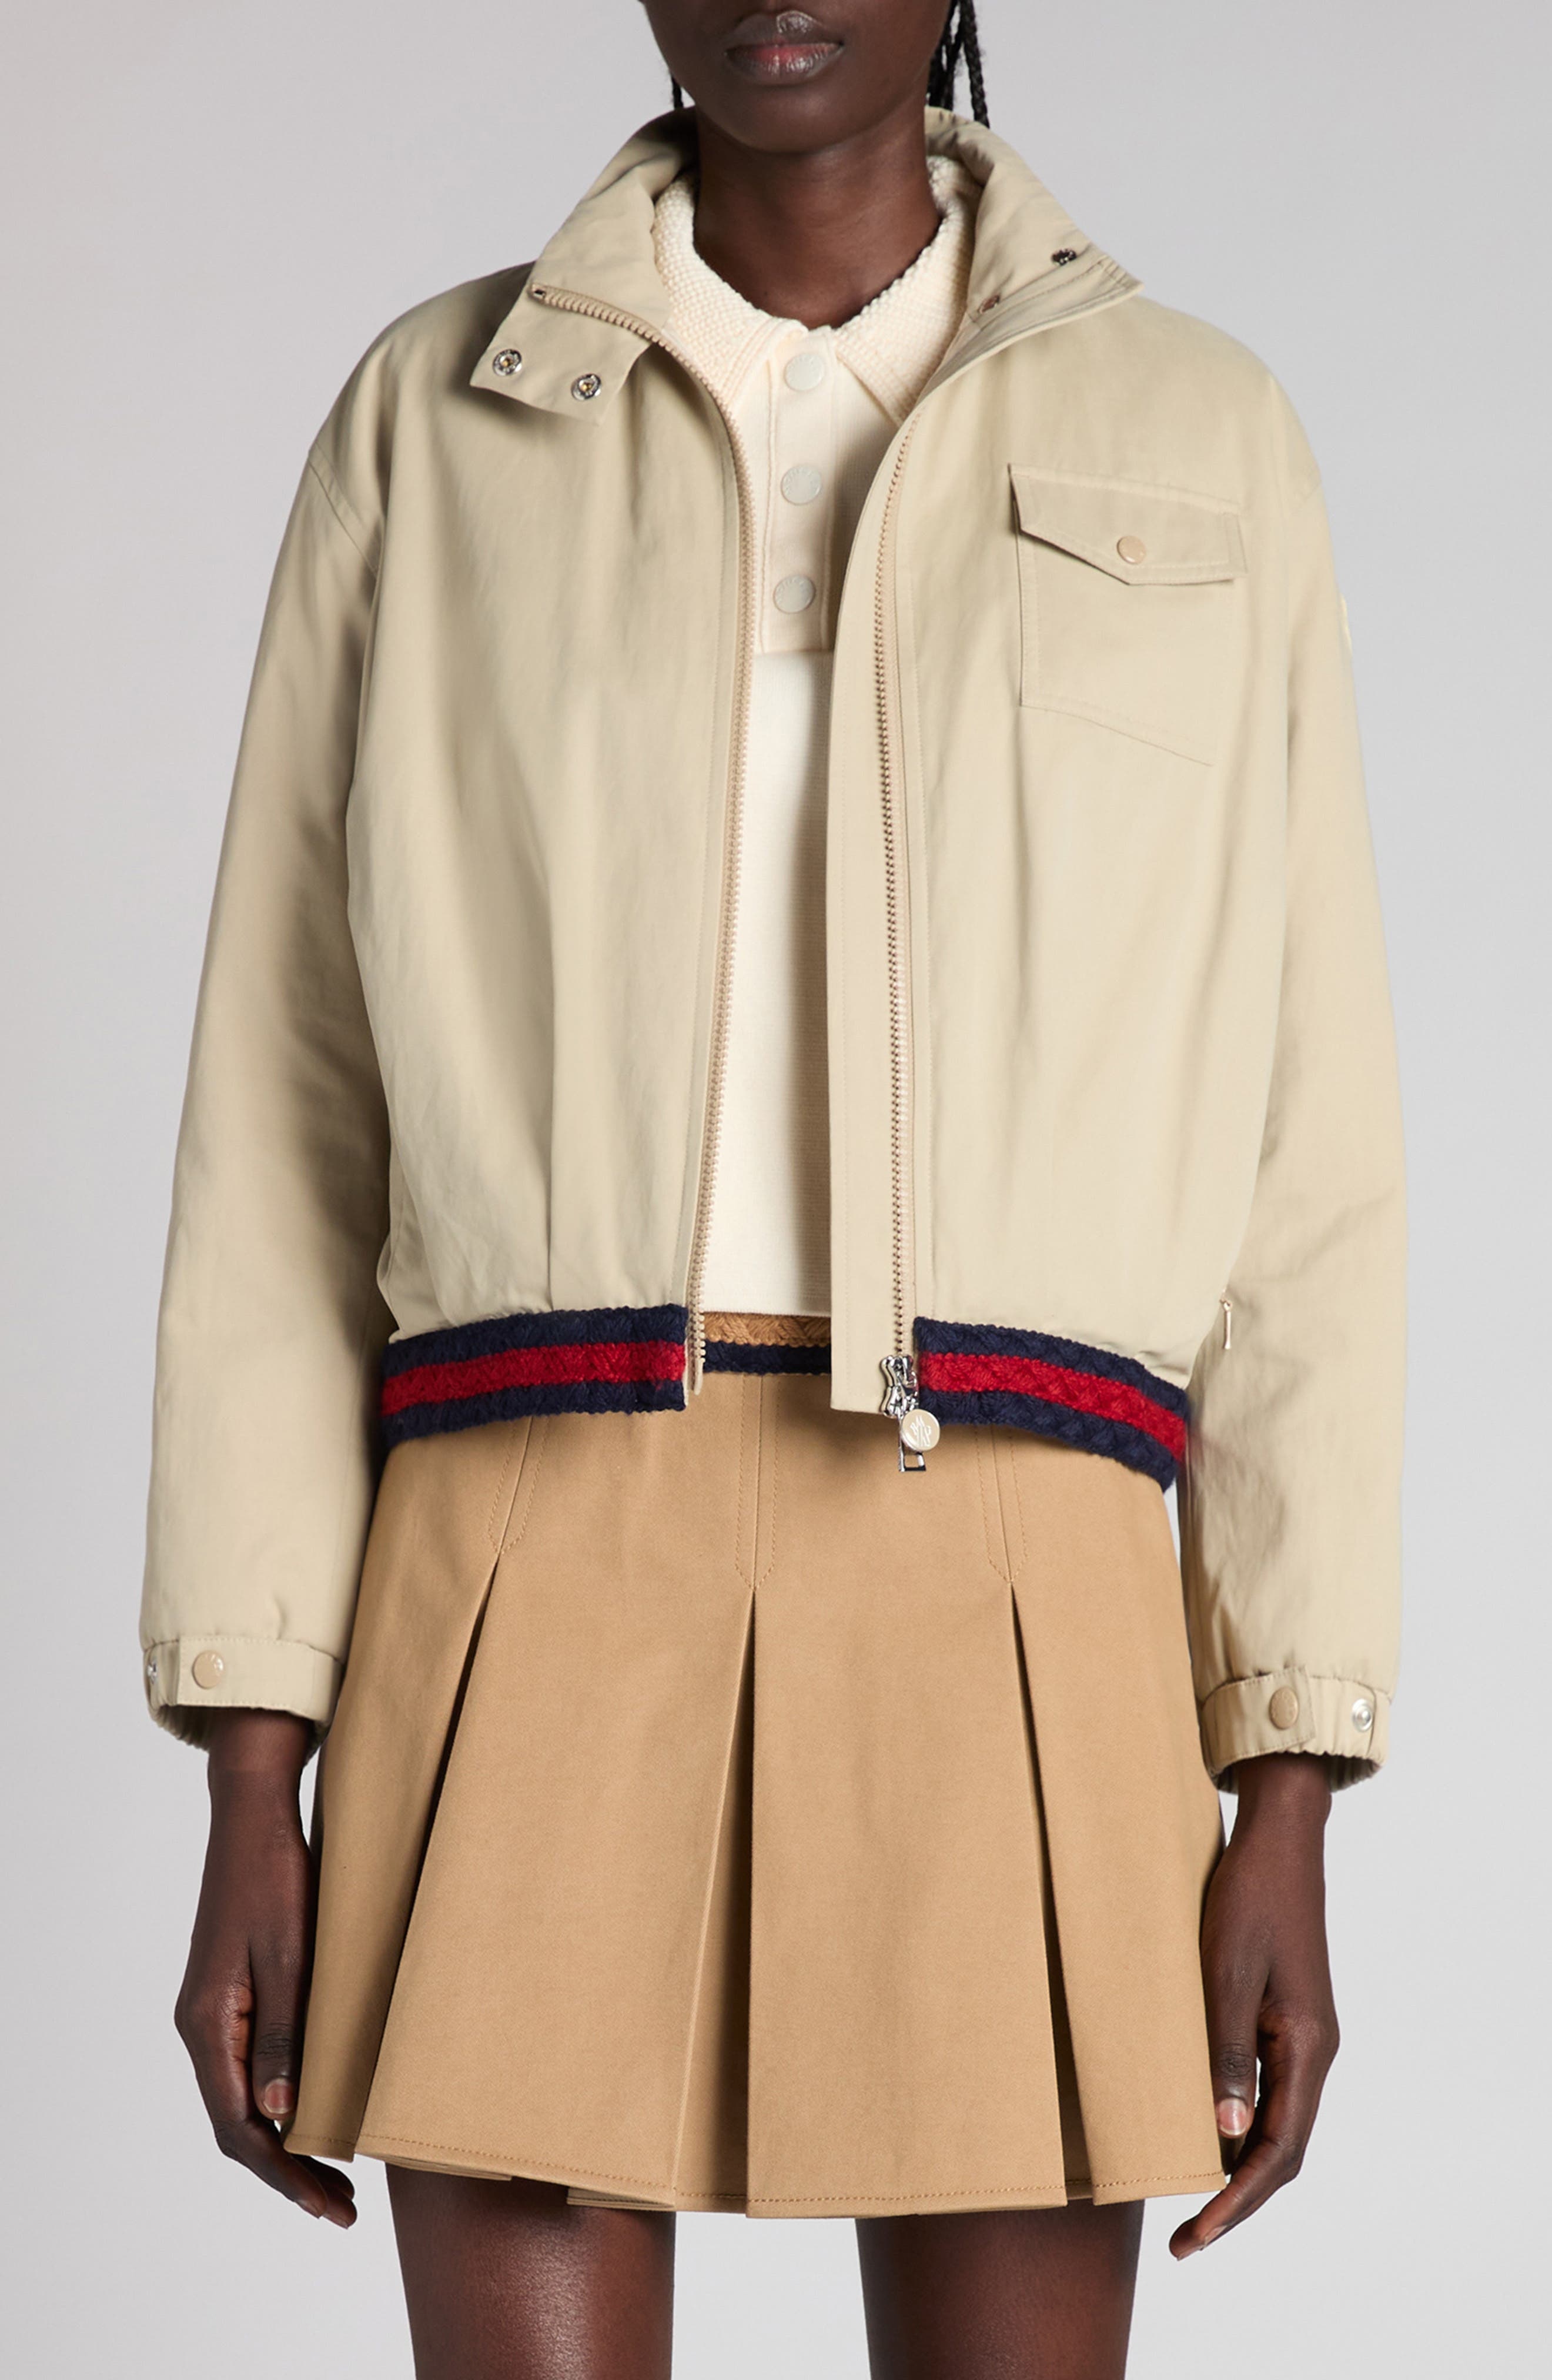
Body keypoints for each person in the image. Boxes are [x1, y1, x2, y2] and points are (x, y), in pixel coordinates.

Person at [143, 5, 1404, 2374]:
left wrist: (1289, 1772)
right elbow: (286, 1111)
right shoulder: (437, 418)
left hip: (1015, 1559)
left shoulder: (1201, 434)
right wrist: (250, 1759)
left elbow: (1306, 1136)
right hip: (527, 1540)